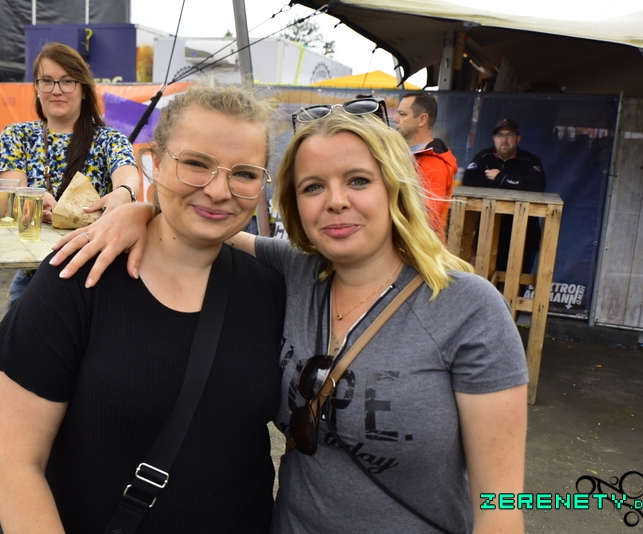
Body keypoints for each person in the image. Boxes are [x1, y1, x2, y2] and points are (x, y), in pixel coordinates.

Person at [51, 103, 529, 533]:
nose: (335, 200)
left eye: (358, 180)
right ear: (295, 204)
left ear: (395, 187)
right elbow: (204, 220)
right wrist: (137, 212)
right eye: (313, 186)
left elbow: (502, 503)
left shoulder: (468, 308)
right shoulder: (295, 271)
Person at [0, 85, 285, 533]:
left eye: (243, 173)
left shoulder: (272, 289)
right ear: (156, 164)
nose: (219, 190)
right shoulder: (77, 277)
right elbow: (16, 464)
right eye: (196, 164)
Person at [0, 42, 139, 308]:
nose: (56, 90)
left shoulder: (110, 139)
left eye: (67, 81)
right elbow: (13, 195)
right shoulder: (17, 136)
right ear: (37, 88)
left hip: (97, 277)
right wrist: (33, 201)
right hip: (34, 276)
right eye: (47, 81)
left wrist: (124, 193)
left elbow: (128, 174)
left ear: (83, 89)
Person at [462, 118, 546, 273]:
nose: (504, 140)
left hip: (524, 232)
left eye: (509, 135)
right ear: (494, 138)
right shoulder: (484, 156)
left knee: (518, 279)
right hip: (489, 230)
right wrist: (514, 184)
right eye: (500, 135)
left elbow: (537, 184)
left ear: (518, 138)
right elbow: (469, 179)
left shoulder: (529, 160)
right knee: (485, 279)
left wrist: (501, 177)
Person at [394, 91, 458, 239]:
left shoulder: (434, 162)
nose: (396, 119)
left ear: (422, 120)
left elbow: (427, 218)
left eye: (402, 114)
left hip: (419, 247)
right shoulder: (404, 154)